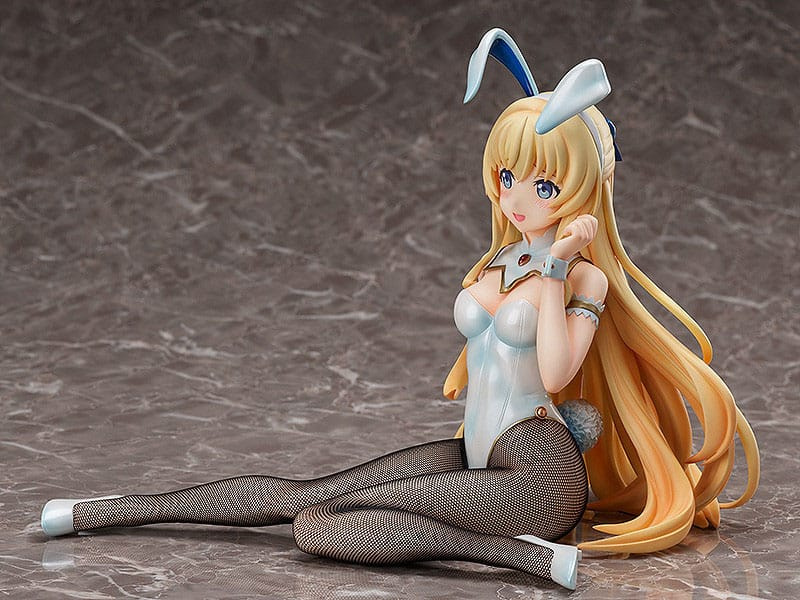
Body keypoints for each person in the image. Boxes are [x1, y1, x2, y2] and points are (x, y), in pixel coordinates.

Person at [40, 29, 759, 591]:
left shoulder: (581, 280)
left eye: (543, 186)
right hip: (479, 454)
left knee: (318, 529)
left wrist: (557, 267)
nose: (516, 197)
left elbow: (554, 371)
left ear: (580, 190)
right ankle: (101, 511)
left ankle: (527, 557)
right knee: (309, 497)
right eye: (508, 176)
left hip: (539, 474)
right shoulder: (502, 259)